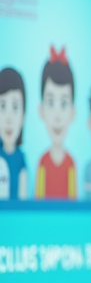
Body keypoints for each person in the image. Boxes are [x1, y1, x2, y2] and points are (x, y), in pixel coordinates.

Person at [35, 47, 76, 200]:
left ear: (72, 112)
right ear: (41, 110)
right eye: (50, 102)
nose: (57, 115)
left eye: (64, 103)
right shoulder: (43, 163)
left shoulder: (71, 164)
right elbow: (37, 202)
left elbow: (73, 202)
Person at [0, 66, 28, 200]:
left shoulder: (21, 159)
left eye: (15, 107)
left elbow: (22, 199)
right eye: (2, 106)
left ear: (23, 115)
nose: (9, 118)